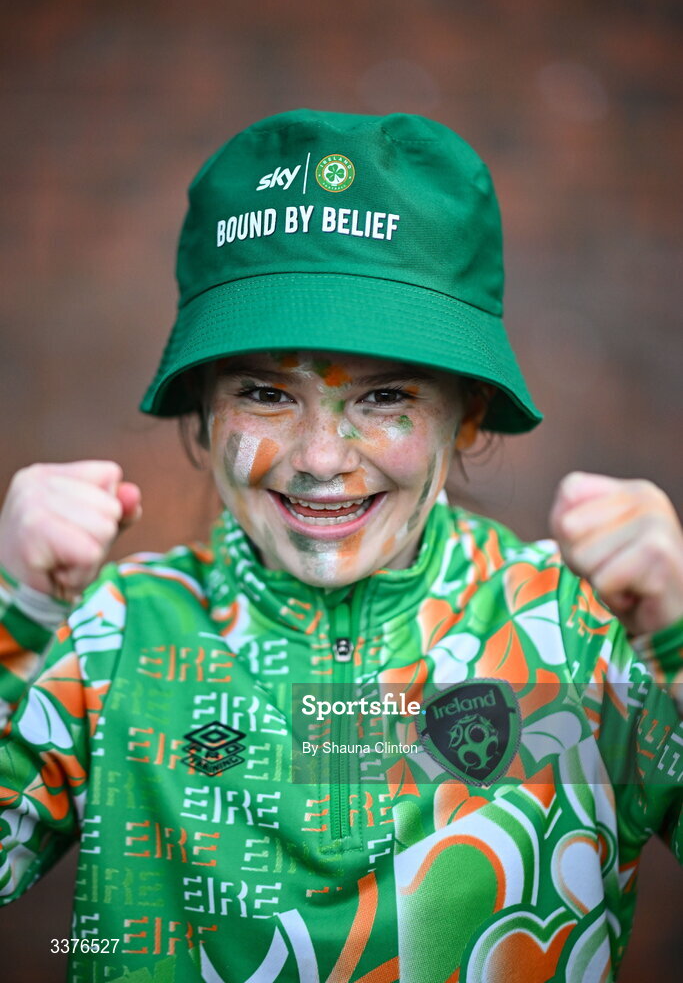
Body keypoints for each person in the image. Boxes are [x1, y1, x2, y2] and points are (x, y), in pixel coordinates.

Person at [0, 110, 681, 983]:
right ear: (202, 413)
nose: (321, 459)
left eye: (384, 394)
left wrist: (677, 643)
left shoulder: (571, 631)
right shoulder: (113, 637)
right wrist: (14, 614)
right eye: (263, 392)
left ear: (467, 409)